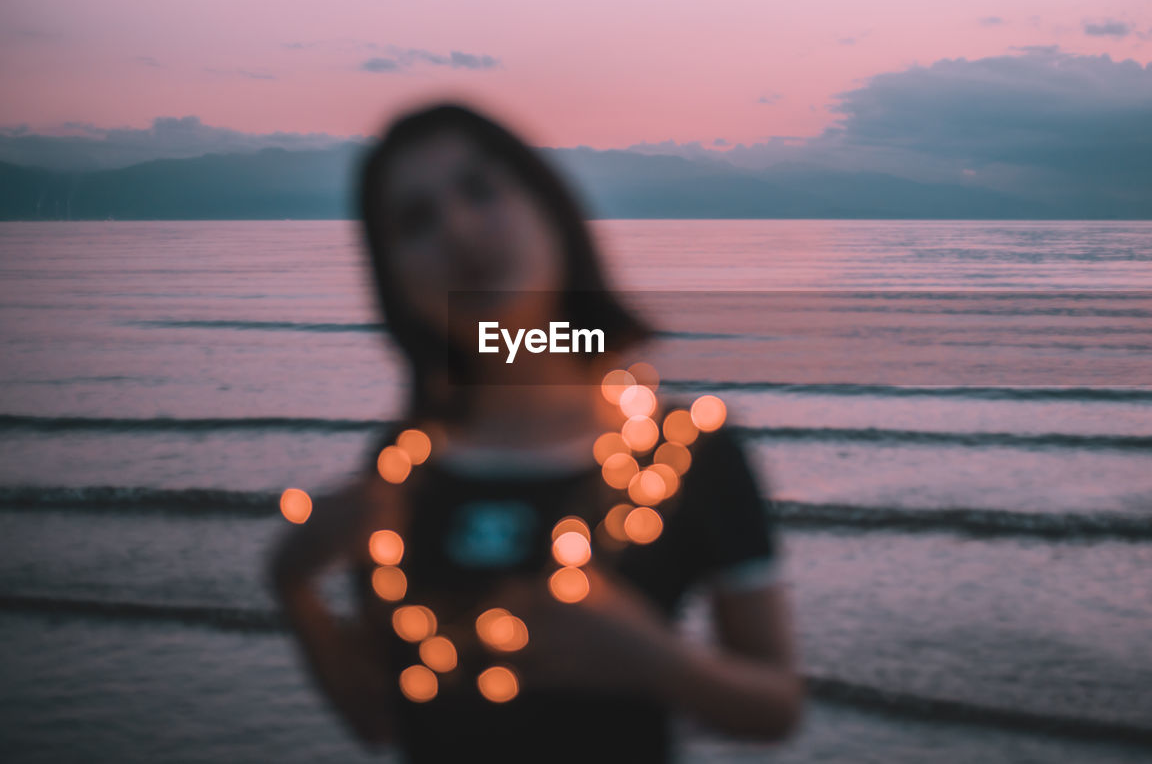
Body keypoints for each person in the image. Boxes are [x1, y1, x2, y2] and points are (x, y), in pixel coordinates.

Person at [267, 101, 803, 762]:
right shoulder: (403, 468)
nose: (460, 228)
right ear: (395, 280)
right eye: (415, 219)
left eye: (480, 188)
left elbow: (776, 706)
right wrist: (295, 589)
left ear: (549, 205)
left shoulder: (689, 449)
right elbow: (378, 719)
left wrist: (658, 662)